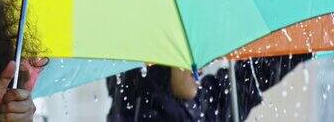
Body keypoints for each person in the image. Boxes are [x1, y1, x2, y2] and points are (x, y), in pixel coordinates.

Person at [107, 54, 310, 121]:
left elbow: (247, 79)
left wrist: (310, 27)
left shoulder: (198, 108)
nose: (201, 68)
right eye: (191, 58)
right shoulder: (135, 111)